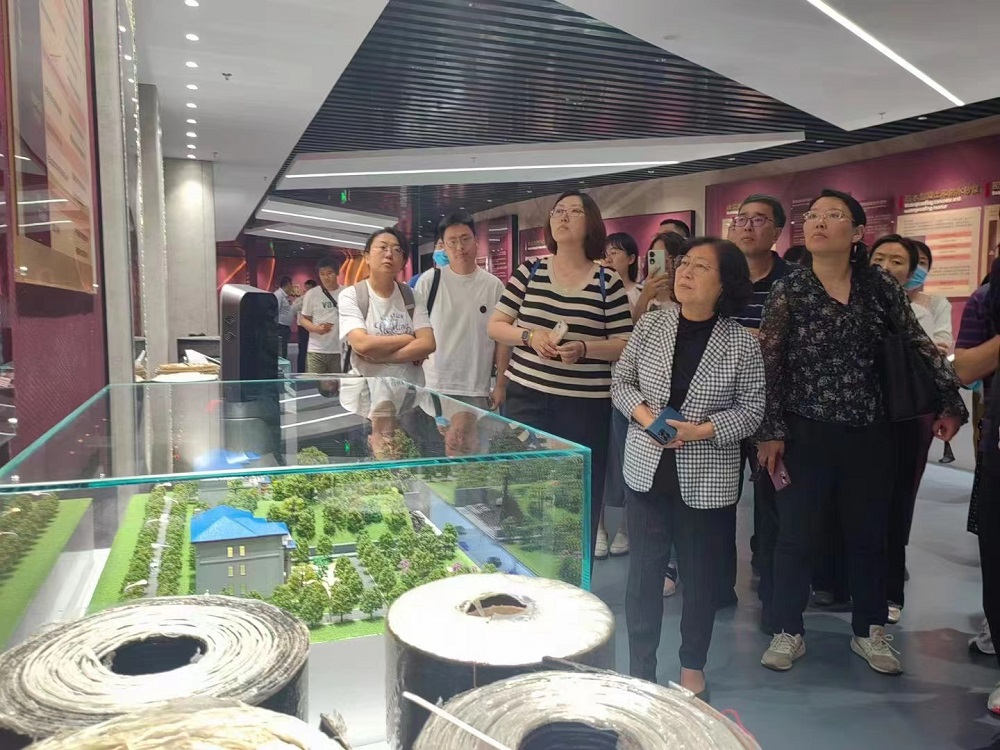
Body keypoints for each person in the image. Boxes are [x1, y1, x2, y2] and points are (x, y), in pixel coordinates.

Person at [757, 189, 966, 676]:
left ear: (856, 232)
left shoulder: (879, 286)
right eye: (813, 215)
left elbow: (917, 344)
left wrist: (950, 400)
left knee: (870, 533)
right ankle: (788, 629)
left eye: (833, 215)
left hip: (871, 430)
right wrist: (770, 429)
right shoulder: (791, 289)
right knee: (796, 535)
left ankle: (869, 629)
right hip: (805, 430)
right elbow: (770, 363)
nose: (818, 222)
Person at [612, 237, 764, 696]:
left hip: (707, 475)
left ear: (725, 284)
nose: (686, 272)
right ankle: (640, 669)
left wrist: (700, 430)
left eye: (701, 267)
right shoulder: (652, 324)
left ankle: (692, 666)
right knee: (644, 577)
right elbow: (622, 382)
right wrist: (650, 421)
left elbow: (751, 410)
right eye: (685, 263)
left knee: (700, 579)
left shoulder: (740, 341)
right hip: (647, 469)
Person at [488, 190, 632, 550]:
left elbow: (624, 343)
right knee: (522, 483)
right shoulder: (529, 271)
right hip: (526, 397)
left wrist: (584, 348)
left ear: (591, 223)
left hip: (584, 405)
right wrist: (530, 336)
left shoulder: (607, 281)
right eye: (557, 211)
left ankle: (571, 563)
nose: (563, 217)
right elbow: (496, 326)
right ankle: (521, 560)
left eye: (574, 212)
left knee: (577, 490)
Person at [869, 235, 943, 624]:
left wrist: (950, 406)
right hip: (856, 419)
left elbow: (934, 362)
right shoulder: (849, 304)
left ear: (912, 271)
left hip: (903, 419)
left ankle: (889, 592)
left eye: (897, 261)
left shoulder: (921, 314)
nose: (885, 266)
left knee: (895, 506)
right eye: (879, 257)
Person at [727, 193, 792, 628]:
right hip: (721, 403)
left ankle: (773, 594)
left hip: (775, 406)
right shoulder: (721, 276)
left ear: (777, 231)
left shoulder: (794, 282)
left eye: (759, 220)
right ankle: (716, 584)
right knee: (717, 495)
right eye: (742, 219)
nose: (748, 227)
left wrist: (753, 340)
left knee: (772, 501)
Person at [415, 212, 508, 410]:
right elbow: (416, 332)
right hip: (435, 384)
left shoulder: (493, 286)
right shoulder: (429, 282)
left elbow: (502, 340)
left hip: (476, 386)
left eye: (465, 239)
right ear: (444, 246)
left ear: (476, 241)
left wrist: (500, 384)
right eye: (452, 241)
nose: (460, 247)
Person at [596, 232, 642, 559]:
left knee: (629, 460)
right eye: (607, 252)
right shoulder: (597, 290)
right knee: (599, 457)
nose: (609, 258)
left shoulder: (642, 292)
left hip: (633, 392)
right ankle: (597, 527)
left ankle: (626, 527)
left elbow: (632, 340)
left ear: (632, 258)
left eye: (616, 252)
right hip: (598, 385)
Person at [340, 227, 435, 385]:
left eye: (396, 250)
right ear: (367, 257)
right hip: (367, 392)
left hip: (409, 391)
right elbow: (362, 344)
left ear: (403, 262)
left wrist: (382, 357)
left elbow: (427, 343)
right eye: (382, 247)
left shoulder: (412, 296)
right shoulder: (351, 295)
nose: (389, 254)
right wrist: (407, 338)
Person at [300, 259, 343, 374]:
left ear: (337, 273)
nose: (326, 277)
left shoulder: (347, 292)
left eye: (329, 273)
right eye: (322, 274)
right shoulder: (312, 294)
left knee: (338, 383)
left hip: (339, 350)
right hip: (316, 350)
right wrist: (316, 329)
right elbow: (303, 319)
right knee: (314, 383)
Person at [635, 231, 686, 320]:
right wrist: (645, 296)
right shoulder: (638, 292)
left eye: (671, 258)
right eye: (658, 257)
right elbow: (635, 325)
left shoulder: (688, 293)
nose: (665, 264)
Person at [293, 279, 317, 373]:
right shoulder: (301, 299)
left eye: (309, 289)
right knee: (302, 349)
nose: (307, 291)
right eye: (306, 289)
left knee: (314, 350)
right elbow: (294, 310)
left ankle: (313, 371)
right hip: (303, 328)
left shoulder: (318, 299)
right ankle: (301, 371)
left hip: (315, 327)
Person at [273, 276, 294, 360]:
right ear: (288, 285)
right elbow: (275, 311)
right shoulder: (278, 294)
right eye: (291, 285)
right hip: (280, 327)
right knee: (281, 348)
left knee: (284, 347)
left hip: (284, 327)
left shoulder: (285, 296)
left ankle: (284, 362)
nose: (292, 287)